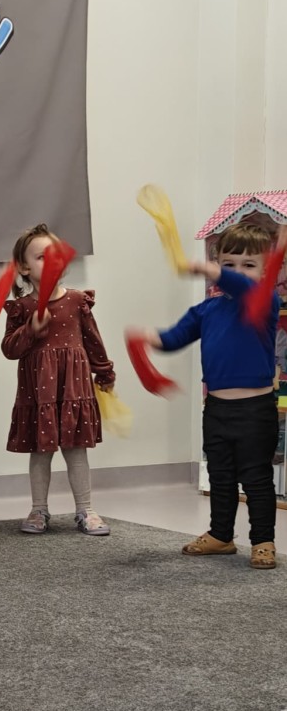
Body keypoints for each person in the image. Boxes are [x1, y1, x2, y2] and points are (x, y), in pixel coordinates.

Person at [135, 223, 280, 569]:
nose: (237, 272)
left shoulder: (264, 301)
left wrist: (213, 271)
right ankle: (221, 535)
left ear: (265, 273)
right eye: (229, 264)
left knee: (256, 478)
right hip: (215, 409)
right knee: (221, 475)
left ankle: (263, 541)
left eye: (248, 265)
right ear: (218, 263)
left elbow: (242, 287)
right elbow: (176, 337)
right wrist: (152, 339)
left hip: (255, 410)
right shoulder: (207, 309)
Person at [2, 223, 114, 536]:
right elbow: (10, 349)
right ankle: (38, 509)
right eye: (41, 257)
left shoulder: (77, 301)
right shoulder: (22, 308)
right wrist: (30, 329)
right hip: (39, 394)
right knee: (41, 452)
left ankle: (86, 508)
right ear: (25, 268)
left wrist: (105, 372)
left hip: (74, 390)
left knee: (77, 451)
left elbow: (93, 341)